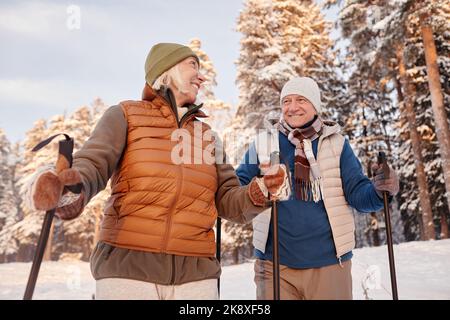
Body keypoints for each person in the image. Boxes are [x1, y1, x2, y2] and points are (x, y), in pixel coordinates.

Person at [27, 43, 284, 300]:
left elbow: (228, 201)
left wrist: (261, 190)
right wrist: (70, 187)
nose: (202, 76)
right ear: (166, 70)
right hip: (128, 270)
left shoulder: (208, 137)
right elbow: (92, 163)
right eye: (192, 65)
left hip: (196, 276)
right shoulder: (126, 116)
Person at [236, 76, 400, 300]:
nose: (292, 107)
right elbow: (236, 192)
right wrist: (256, 188)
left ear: (315, 105)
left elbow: (359, 196)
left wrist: (381, 189)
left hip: (330, 265)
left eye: (301, 100)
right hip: (274, 265)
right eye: (286, 101)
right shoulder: (265, 143)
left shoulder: (336, 144)